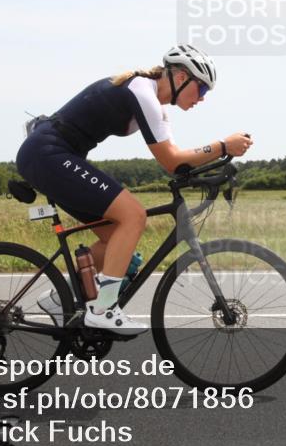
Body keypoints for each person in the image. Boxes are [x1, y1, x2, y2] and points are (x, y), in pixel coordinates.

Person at [15, 45, 253, 334]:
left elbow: (179, 159)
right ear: (180, 77)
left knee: (117, 238)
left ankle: (57, 298)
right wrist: (223, 146)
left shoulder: (155, 105)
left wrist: (214, 163)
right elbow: (172, 162)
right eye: (201, 89)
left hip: (54, 156)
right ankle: (103, 308)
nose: (202, 98)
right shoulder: (142, 92)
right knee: (133, 215)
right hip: (47, 154)